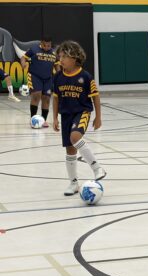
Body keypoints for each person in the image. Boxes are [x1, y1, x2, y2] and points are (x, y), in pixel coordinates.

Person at [52, 41, 106, 196]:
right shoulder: (58, 77)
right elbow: (55, 98)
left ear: (75, 58)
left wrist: (98, 117)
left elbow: (95, 97)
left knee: (75, 137)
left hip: (82, 112)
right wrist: (55, 118)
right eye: (60, 56)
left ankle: (97, 168)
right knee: (70, 150)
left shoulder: (85, 76)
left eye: (64, 57)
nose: (60, 60)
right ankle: (73, 183)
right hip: (66, 114)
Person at [21, 35, 59, 127]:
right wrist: (23, 63)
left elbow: (57, 66)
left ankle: (43, 120)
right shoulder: (33, 49)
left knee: (46, 98)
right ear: (41, 43)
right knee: (36, 95)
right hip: (34, 76)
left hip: (48, 78)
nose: (47, 47)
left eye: (49, 46)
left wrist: (59, 75)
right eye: (45, 45)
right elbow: (23, 57)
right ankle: (33, 119)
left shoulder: (54, 53)